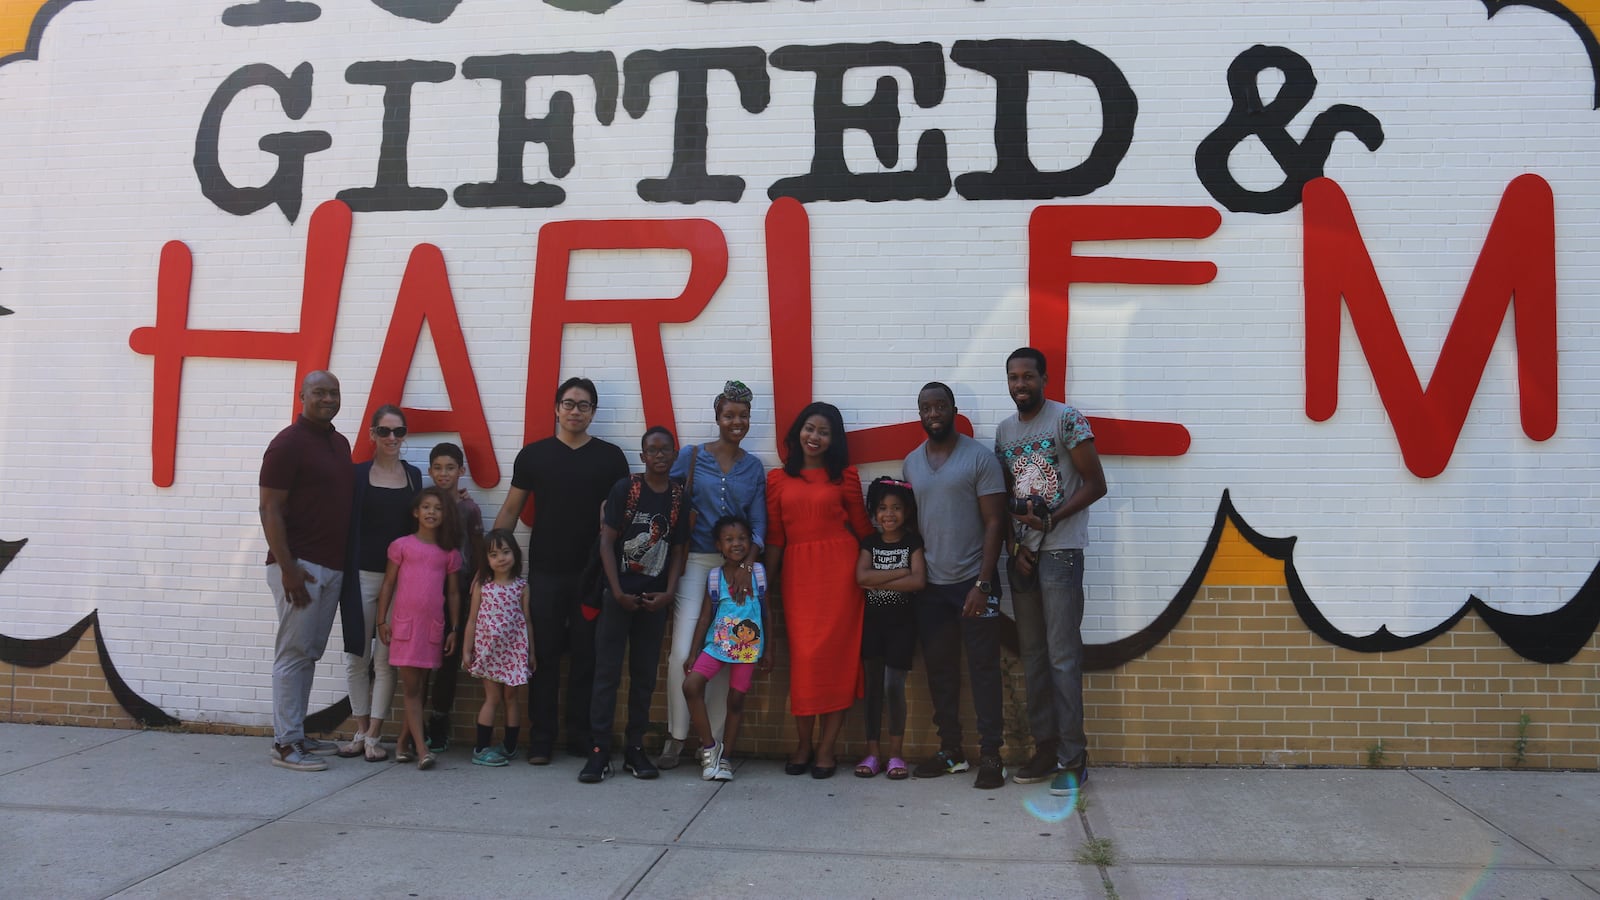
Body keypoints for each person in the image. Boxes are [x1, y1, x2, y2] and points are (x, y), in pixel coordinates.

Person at [491, 377, 629, 764]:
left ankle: (580, 736)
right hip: (545, 574)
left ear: (593, 413)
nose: (575, 411)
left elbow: (619, 518)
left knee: (587, 656)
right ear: (556, 409)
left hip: (592, 576)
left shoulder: (611, 458)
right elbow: (510, 511)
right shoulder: (534, 456)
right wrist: (490, 564)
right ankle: (542, 739)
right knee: (545, 657)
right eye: (568, 403)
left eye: (584, 405)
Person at [997, 347, 1107, 796]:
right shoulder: (1005, 432)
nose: (1020, 384)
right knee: (1034, 656)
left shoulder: (1067, 420)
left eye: (1028, 376)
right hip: (1024, 555)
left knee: (1062, 656)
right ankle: (1044, 749)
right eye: (1013, 377)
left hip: (1061, 551)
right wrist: (1015, 545)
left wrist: (1050, 521)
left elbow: (1097, 484)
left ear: (1044, 379)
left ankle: (1073, 758)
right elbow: (1006, 498)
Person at [902, 381, 1010, 789]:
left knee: (984, 671)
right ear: (920, 413)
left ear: (954, 409)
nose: (933, 413)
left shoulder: (980, 458)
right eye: (926, 407)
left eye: (940, 406)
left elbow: (996, 522)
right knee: (941, 672)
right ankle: (951, 751)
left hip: (973, 582)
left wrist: (983, 583)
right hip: (932, 586)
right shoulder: (911, 463)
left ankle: (992, 755)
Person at [660, 380, 767, 769]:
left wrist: (745, 567)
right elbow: (666, 497)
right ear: (717, 417)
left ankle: (714, 742)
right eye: (729, 415)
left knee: (729, 651)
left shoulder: (753, 467)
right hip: (695, 562)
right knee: (682, 652)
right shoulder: (691, 456)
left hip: (735, 569)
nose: (736, 422)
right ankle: (676, 736)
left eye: (743, 416)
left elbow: (759, 524)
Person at [765, 401, 872, 779]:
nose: (815, 437)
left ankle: (826, 748)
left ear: (833, 439)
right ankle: (803, 744)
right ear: (798, 431)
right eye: (810, 428)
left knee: (837, 662)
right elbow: (775, 538)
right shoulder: (777, 480)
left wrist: (893, 561)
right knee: (805, 661)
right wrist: (765, 585)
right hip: (798, 577)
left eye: (824, 432)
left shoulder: (846, 477)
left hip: (841, 578)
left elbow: (863, 529)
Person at [580, 427, 690, 783]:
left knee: (644, 677)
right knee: (606, 675)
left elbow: (678, 549)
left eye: (665, 449)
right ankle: (599, 750)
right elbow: (606, 542)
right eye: (652, 450)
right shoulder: (626, 489)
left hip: (653, 601)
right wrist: (616, 592)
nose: (659, 455)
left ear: (674, 454)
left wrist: (669, 593)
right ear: (642, 456)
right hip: (619, 597)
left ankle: (635, 748)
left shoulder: (678, 496)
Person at [259, 370, 355, 772]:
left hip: (331, 566)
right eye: (319, 392)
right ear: (302, 396)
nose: (328, 398)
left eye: (334, 392)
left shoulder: (339, 443)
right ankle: (285, 744)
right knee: (293, 654)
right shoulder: (287, 443)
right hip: (300, 567)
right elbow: (269, 508)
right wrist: (289, 568)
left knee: (308, 654)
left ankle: (295, 732)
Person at [335, 405, 423, 763]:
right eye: (384, 431)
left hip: (400, 582)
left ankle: (374, 735)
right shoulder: (356, 475)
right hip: (360, 576)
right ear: (372, 434)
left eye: (398, 432)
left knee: (387, 660)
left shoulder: (413, 476)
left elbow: (424, 519)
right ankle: (359, 731)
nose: (391, 438)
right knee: (356, 656)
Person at [375, 487, 463, 770]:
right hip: (405, 627)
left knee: (419, 688)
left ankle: (403, 743)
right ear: (416, 512)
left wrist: (454, 628)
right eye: (426, 507)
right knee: (412, 689)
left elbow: (453, 593)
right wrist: (381, 620)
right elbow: (388, 584)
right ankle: (422, 749)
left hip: (432, 628)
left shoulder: (448, 553)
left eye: (438, 508)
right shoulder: (401, 546)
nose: (431, 512)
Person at [684, 515, 770, 782]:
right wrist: (693, 652)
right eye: (729, 539)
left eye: (742, 538)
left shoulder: (757, 573)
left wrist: (769, 650)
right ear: (718, 545)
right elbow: (704, 617)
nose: (737, 543)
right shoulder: (714, 577)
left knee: (735, 701)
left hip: (747, 649)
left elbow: (767, 614)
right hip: (717, 645)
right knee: (691, 686)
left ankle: (726, 758)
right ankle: (710, 748)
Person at [853, 477, 925, 780]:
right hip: (873, 626)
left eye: (896, 508)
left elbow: (918, 581)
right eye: (882, 508)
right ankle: (873, 754)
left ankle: (896, 754)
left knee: (893, 687)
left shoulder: (912, 542)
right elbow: (861, 578)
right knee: (872, 690)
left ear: (906, 511)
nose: (889, 514)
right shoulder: (869, 542)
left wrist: (879, 578)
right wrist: (900, 571)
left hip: (902, 627)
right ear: (874, 512)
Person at [424, 442, 485, 753]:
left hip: (457, 594)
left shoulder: (468, 509)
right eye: (438, 467)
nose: (444, 473)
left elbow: (477, 551)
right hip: (424, 593)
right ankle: (415, 724)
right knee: (422, 659)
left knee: (448, 660)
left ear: (461, 471)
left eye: (450, 467)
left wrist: (478, 584)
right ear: (430, 471)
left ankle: (439, 721)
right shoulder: (425, 505)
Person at [462, 528, 532, 767]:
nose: (501, 558)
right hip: (488, 652)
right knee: (492, 698)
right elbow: (472, 620)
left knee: (511, 698)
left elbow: (527, 621)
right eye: (494, 555)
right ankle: (481, 748)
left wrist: (531, 652)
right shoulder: (482, 587)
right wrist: (467, 650)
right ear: (487, 560)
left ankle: (510, 746)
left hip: (514, 652)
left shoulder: (522, 587)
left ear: (515, 554)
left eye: (505, 552)